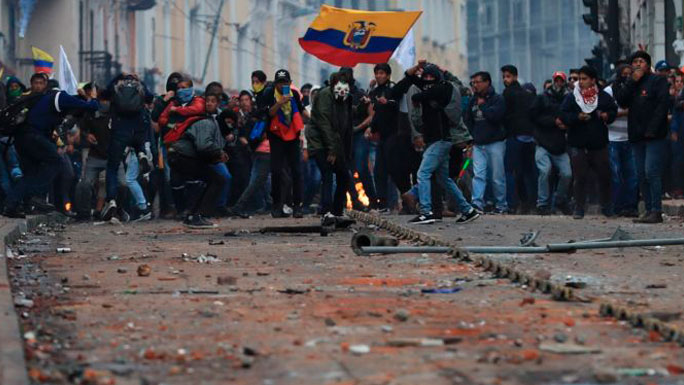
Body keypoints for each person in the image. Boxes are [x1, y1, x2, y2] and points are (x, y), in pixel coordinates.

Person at [4, 73, 99, 218]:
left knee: (30, 174)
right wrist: (91, 97)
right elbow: (91, 106)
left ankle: (11, 205)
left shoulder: (43, 98)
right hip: (32, 137)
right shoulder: (62, 97)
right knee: (56, 162)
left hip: (21, 139)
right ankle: (35, 195)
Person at [399, 61, 479, 225]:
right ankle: (467, 210)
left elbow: (420, 95)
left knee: (423, 173)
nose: (428, 80)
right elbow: (411, 83)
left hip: (441, 140)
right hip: (435, 140)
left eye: (431, 76)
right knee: (444, 179)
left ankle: (426, 211)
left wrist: (418, 95)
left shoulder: (443, 89)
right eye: (426, 76)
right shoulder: (430, 90)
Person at [615, 51, 672, 224]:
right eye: (635, 62)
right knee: (640, 173)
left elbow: (663, 106)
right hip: (636, 135)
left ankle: (656, 210)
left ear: (648, 65)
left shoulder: (658, 81)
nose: (638, 64)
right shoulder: (631, 83)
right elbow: (622, 101)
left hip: (654, 135)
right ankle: (648, 210)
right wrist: (632, 81)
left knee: (651, 172)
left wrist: (653, 128)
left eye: (641, 61)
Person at [560, 65, 617, 219]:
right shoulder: (572, 97)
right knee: (580, 177)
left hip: (598, 145)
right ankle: (579, 207)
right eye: (580, 79)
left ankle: (606, 206)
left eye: (584, 79)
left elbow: (612, 111)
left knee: (604, 176)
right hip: (578, 144)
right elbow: (564, 115)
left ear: (593, 80)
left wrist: (606, 115)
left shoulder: (603, 97)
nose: (581, 82)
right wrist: (577, 117)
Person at [101, 73, 154, 221]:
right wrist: (140, 81)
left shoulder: (117, 86)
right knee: (138, 144)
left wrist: (116, 77)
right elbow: (149, 98)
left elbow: (104, 94)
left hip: (119, 131)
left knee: (112, 167)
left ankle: (111, 200)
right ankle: (141, 153)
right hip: (137, 130)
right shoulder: (139, 86)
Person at [167, 106, 227, 228]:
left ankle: (192, 215)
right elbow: (203, 146)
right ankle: (198, 216)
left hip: (179, 155)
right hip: (182, 156)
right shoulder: (208, 123)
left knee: (205, 180)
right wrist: (218, 153)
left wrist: (215, 157)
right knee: (217, 179)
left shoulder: (210, 125)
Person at [259, 69, 305, 218]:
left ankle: (297, 205)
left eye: (285, 82)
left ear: (290, 83)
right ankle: (277, 204)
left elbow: (301, 110)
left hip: (293, 135)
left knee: (296, 171)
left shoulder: (295, 94)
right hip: (276, 135)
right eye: (279, 82)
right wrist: (280, 103)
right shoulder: (269, 93)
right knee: (277, 171)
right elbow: (269, 113)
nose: (282, 85)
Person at [306, 73, 352, 219]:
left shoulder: (342, 98)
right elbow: (324, 123)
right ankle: (327, 211)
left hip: (332, 141)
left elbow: (343, 122)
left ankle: (336, 210)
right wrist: (332, 150)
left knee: (343, 175)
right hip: (319, 142)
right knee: (327, 174)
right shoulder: (325, 96)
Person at [464, 71, 508, 214]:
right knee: (479, 175)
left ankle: (501, 205)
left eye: (478, 82)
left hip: (495, 143)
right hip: (478, 144)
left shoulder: (497, 99)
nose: (475, 85)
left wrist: (483, 107)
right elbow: (468, 120)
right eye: (473, 83)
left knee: (497, 176)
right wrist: (471, 139)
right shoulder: (473, 100)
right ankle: (477, 204)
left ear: (487, 82)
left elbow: (496, 117)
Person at [530, 71, 572, 215]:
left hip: (560, 145)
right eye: (557, 80)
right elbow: (534, 117)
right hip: (543, 142)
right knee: (544, 171)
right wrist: (554, 122)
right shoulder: (542, 98)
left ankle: (560, 199)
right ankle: (542, 204)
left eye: (561, 80)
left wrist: (566, 123)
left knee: (567, 174)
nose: (559, 83)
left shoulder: (569, 98)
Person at [501, 65, 537, 214]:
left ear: (515, 77)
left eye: (508, 76)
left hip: (514, 136)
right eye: (504, 77)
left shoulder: (508, 93)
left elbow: (505, 115)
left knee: (511, 171)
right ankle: (531, 202)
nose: (505, 80)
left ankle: (514, 203)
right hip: (528, 137)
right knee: (529, 171)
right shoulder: (527, 94)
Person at [604, 64, 639, 217]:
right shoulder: (609, 91)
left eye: (629, 74)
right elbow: (605, 115)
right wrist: (624, 112)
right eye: (624, 74)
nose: (627, 77)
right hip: (613, 139)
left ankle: (630, 206)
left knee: (632, 175)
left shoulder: (635, 90)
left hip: (629, 137)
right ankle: (615, 206)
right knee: (616, 175)